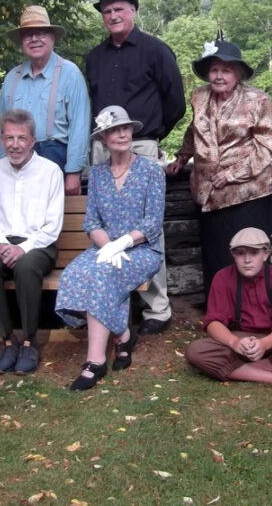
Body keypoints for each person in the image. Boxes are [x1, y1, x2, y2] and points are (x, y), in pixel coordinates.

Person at [86, 0, 186, 336]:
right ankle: (110, 298)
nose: (113, 15)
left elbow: (176, 101)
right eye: (107, 10)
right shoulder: (94, 57)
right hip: (102, 149)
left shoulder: (156, 50)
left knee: (148, 227)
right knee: (105, 224)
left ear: (133, 11)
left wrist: (153, 135)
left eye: (119, 9)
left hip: (141, 143)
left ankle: (156, 309)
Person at [55, 107, 165, 390]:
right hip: (105, 249)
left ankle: (95, 362)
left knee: (102, 277)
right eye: (114, 130)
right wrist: (108, 247)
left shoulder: (152, 170)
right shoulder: (98, 174)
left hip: (141, 250)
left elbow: (153, 222)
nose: (122, 134)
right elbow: (91, 221)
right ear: (103, 138)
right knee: (73, 276)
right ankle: (124, 334)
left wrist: (123, 243)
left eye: (125, 128)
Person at [166, 36, 272, 296]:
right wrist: (182, 158)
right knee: (217, 254)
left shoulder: (258, 100)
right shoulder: (200, 97)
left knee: (249, 253)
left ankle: (254, 309)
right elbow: (195, 133)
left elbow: (267, 147)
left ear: (237, 73)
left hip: (248, 194)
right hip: (209, 193)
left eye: (225, 70)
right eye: (214, 70)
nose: (218, 76)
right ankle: (221, 311)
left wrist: (231, 175)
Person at [0, 109, 64, 376]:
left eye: (21, 138)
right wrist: (2, 245)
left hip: (38, 244)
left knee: (26, 267)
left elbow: (52, 226)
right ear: (1, 139)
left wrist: (22, 248)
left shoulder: (50, 172)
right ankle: (7, 341)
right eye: (9, 138)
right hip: (1, 242)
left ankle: (29, 341)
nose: (15, 145)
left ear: (33, 140)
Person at [185, 228, 272, 390]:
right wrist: (235, 342)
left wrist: (264, 344)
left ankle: (239, 372)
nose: (247, 260)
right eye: (241, 253)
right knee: (196, 351)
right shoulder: (222, 277)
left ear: (266, 254)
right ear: (233, 255)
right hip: (238, 341)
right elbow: (214, 322)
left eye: (254, 253)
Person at [0, 6, 91, 196]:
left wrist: (73, 172)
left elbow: (79, 126)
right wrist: (2, 169)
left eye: (40, 33)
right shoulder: (11, 78)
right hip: (17, 158)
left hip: (55, 156)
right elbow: (3, 129)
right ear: (22, 42)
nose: (34, 39)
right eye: (28, 35)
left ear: (52, 38)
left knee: (55, 222)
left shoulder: (70, 73)